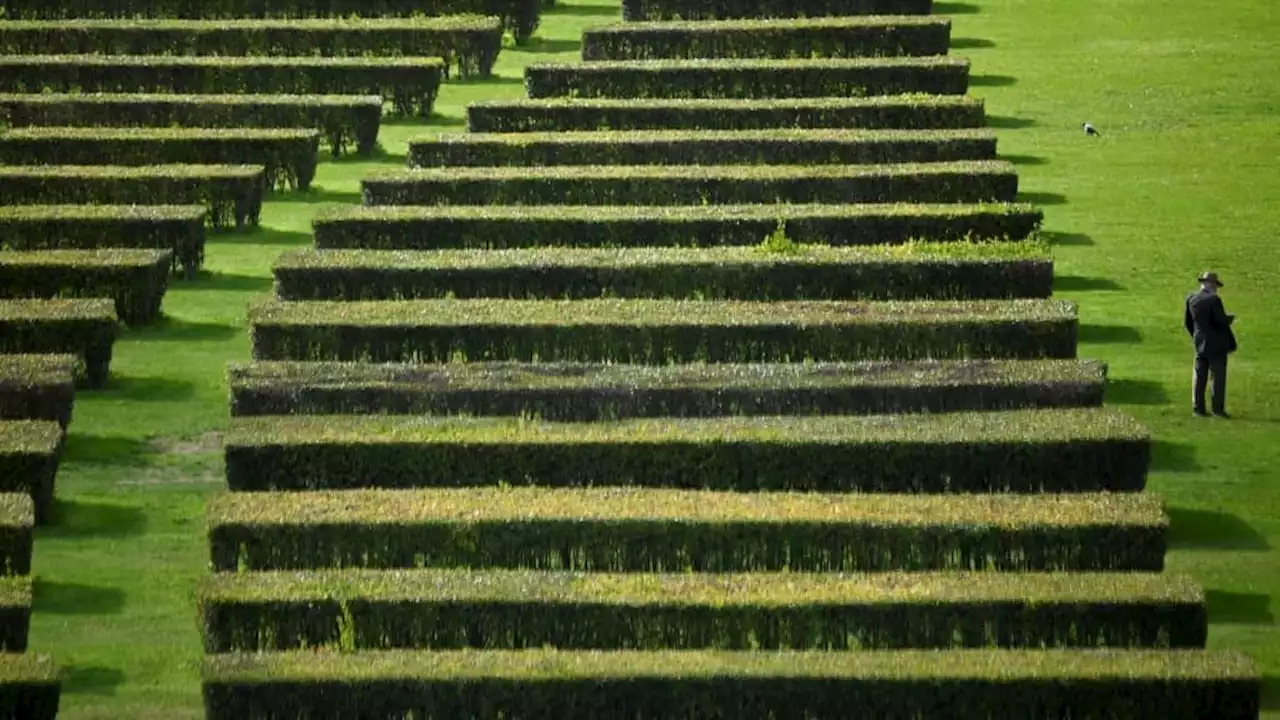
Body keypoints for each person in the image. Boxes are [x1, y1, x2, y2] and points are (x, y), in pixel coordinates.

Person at [1184, 271, 1238, 418]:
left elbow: (1188, 323)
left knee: (1199, 375)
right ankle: (1217, 409)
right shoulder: (1214, 300)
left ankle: (1198, 408)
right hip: (1216, 344)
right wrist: (1229, 319)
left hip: (1199, 342)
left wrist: (1196, 337)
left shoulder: (1191, 298)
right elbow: (1219, 320)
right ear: (1212, 284)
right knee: (1217, 377)